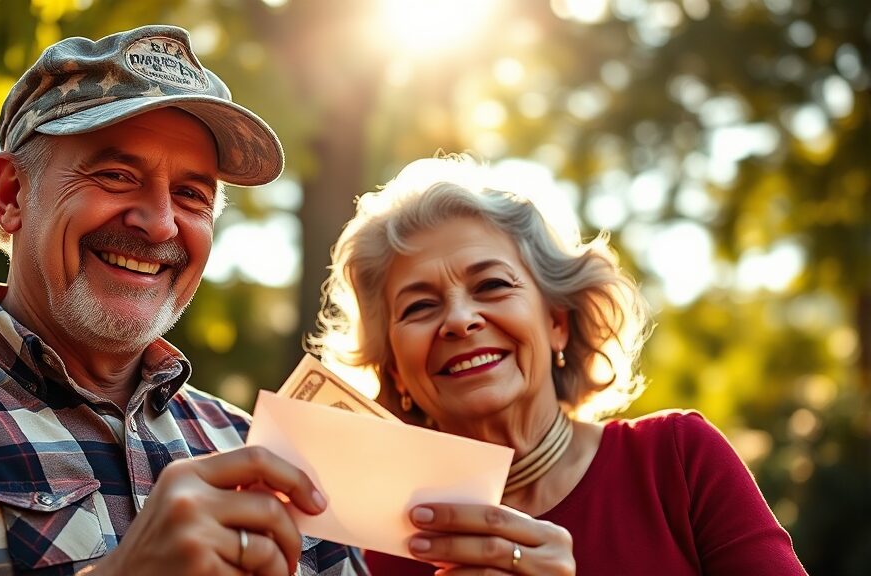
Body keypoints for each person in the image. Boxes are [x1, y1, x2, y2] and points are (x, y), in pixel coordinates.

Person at [0, 25, 367, 575]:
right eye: (116, 175)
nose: (159, 223)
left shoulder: (253, 446)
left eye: (191, 195)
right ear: (11, 195)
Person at [309, 155, 807, 575]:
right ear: (394, 369)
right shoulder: (366, 549)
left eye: (492, 286)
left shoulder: (678, 461)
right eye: (419, 307)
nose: (459, 321)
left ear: (557, 322)